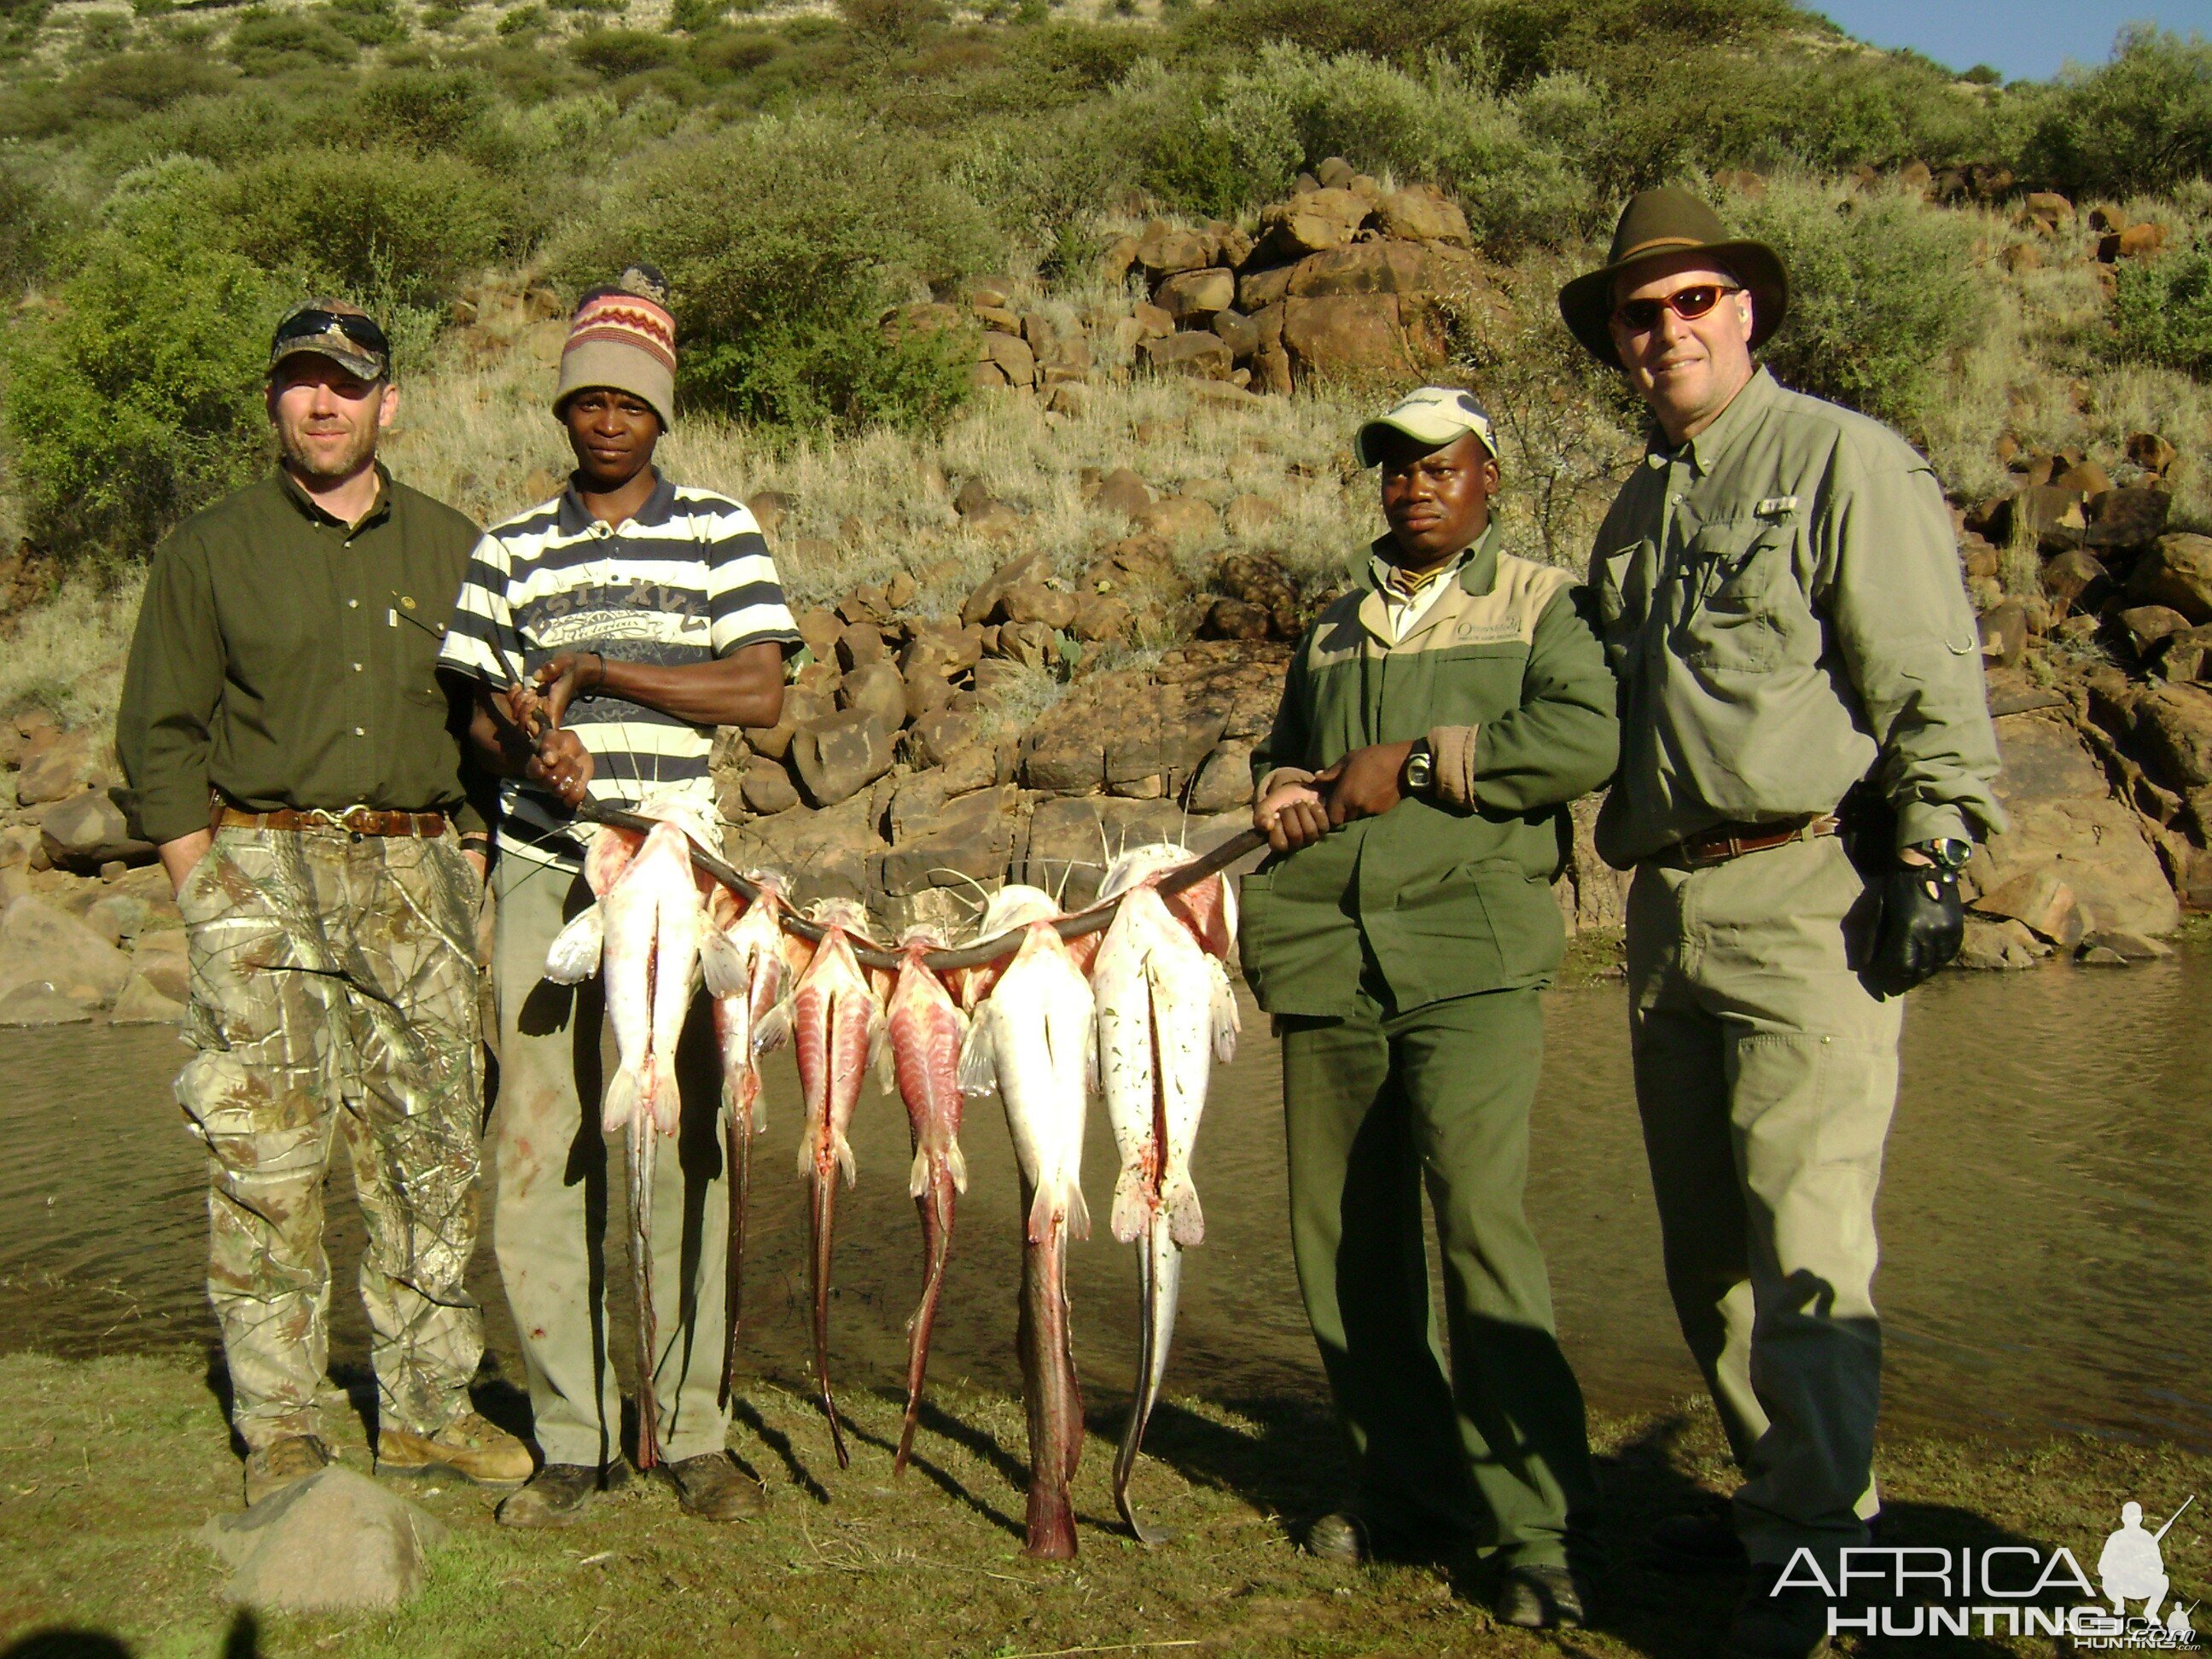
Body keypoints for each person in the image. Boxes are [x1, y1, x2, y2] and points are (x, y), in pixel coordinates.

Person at [1557, 188, 2005, 1656]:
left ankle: (1823, 1560)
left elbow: (1928, 673)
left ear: (1746, 311)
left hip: (1813, 894)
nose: (1667, 329)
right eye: (1642, 312)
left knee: (1810, 1238)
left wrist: (1935, 857)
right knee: (1706, 1257)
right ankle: (1781, 1510)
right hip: (1668, 910)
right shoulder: (1633, 506)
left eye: (1693, 301)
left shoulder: (1842, 462)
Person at [115, 300, 531, 1505]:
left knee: (431, 1155)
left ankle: (426, 1407)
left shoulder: (456, 546)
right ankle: (283, 1425)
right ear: (274, 403)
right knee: (266, 1167)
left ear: (386, 402)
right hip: (262, 870)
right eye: (301, 383)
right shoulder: (208, 549)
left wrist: (472, 856)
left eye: (346, 384)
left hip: (419, 873)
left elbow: (494, 729)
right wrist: (209, 889)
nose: (323, 404)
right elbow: (162, 735)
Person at [1240, 387, 1620, 1627]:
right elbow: (1282, 755)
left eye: (1438, 466)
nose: (1413, 485)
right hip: (1325, 963)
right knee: (1344, 1244)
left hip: (1470, 956)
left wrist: (1411, 763)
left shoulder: (1541, 604)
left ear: (1488, 479)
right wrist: (1281, 788)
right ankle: (1405, 1494)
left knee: (1480, 1233)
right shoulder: (1335, 625)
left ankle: (1535, 1529)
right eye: (1395, 468)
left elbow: (1579, 739)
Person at [437, 268, 800, 1528]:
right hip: (545, 865)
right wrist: (526, 738)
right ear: (562, 411)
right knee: (540, 1151)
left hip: (677, 875)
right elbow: (475, 714)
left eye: (629, 402)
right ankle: (573, 1435)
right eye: (585, 399)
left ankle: (690, 1428)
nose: (606, 421)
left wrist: (602, 672)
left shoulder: (717, 530)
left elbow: (757, 691)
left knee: (682, 1139)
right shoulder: (508, 547)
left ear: (661, 414)